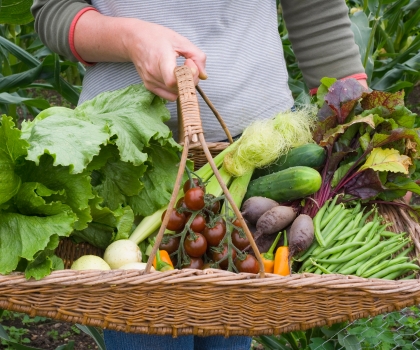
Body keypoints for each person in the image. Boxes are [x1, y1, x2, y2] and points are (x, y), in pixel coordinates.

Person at [31, 1, 368, 349]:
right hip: (126, 161)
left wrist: (363, 132)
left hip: (257, 154)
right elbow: (54, 9)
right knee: (149, 335)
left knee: (228, 335)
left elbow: (316, 8)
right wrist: (130, 38)